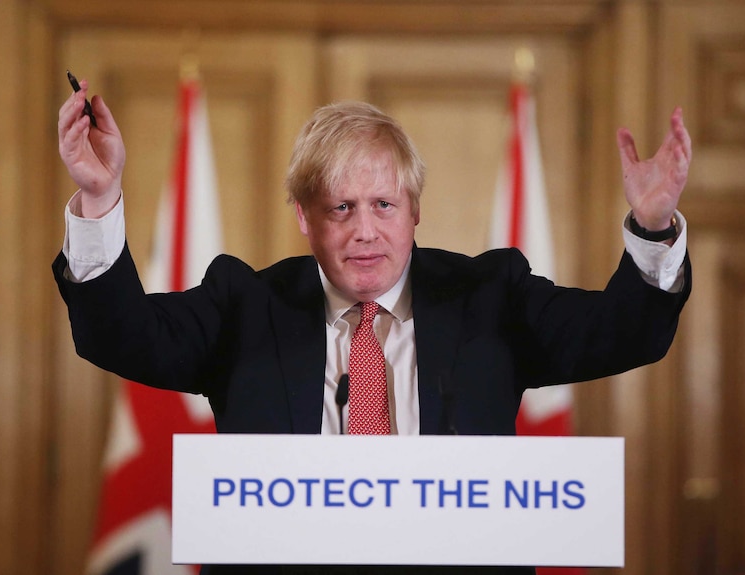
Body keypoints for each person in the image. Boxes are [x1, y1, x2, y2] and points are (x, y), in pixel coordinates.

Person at [54, 81, 692, 574]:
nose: (365, 231)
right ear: (305, 217)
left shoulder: (490, 298)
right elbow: (123, 335)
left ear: (415, 210)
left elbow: (620, 331)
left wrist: (654, 229)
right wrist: (99, 200)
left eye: (384, 205)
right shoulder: (245, 305)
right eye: (340, 208)